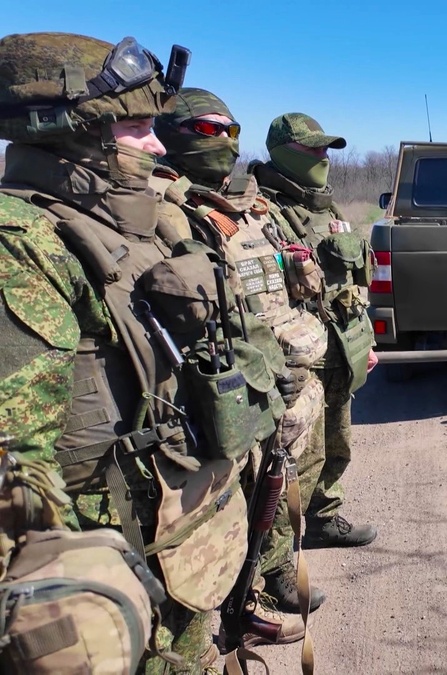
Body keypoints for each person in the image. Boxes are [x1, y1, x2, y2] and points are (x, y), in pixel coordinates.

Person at [0, 32, 278, 673]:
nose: (158, 145)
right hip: (110, 563)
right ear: (69, 130)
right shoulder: (24, 247)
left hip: (175, 524)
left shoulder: (145, 222)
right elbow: (15, 472)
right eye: (137, 127)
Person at [152, 87, 330, 631]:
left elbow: (285, 283)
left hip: (287, 371)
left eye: (231, 130)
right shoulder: (165, 211)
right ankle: (239, 598)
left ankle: (271, 569)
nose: (226, 142)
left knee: (286, 475)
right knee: (239, 493)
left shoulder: (252, 207)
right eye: (210, 130)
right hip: (234, 383)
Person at [250, 113, 378, 548]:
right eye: (312, 149)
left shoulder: (327, 209)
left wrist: (366, 344)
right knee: (292, 459)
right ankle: (278, 555)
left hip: (339, 352)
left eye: (326, 149)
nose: (323, 157)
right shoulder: (261, 213)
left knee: (335, 445)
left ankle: (323, 515)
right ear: (283, 152)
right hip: (297, 363)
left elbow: (351, 285)